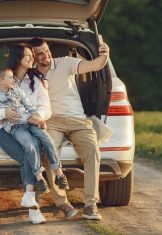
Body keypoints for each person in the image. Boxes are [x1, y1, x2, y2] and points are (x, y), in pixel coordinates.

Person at [29, 37, 110, 220]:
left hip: (78, 120)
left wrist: (105, 54)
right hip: (52, 122)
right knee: (49, 154)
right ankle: (62, 203)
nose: (46, 55)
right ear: (32, 56)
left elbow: (95, 65)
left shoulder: (65, 63)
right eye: (40, 54)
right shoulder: (30, 75)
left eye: (46, 50)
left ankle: (90, 204)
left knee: (92, 150)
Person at [0, 43, 73, 224]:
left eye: (32, 54)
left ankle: (32, 204)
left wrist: (38, 116)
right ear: (18, 58)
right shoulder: (4, 79)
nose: (32, 58)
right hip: (4, 128)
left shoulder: (37, 80)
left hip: (28, 126)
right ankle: (33, 209)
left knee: (34, 150)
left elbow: (45, 106)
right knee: (28, 154)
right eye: (28, 55)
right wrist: (4, 113)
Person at [0, 66, 69, 196]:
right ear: (0, 81)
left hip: (31, 122)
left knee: (46, 139)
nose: (12, 79)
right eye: (9, 77)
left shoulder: (17, 90)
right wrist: (4, 113)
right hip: (16, 128)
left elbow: (30, 106)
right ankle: (39, 177)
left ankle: (59, 173)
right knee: (29, 146)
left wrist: (38, 118)